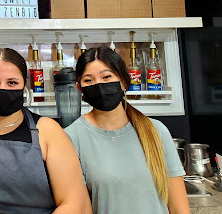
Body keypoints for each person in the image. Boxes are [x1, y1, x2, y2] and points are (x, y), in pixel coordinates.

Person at [0, 48, 87, 213]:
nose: (2, 88)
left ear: (24, 86)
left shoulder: (49, 132)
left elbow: (71, 202)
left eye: (12, 82)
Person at [65, 46, 189, 214]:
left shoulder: (156, 131)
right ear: (80, 88)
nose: (99, 85)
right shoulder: (71, 138)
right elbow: (80, 206)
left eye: (107, 77)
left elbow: (179, 208)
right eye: (89, 80)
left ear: (123, 81)